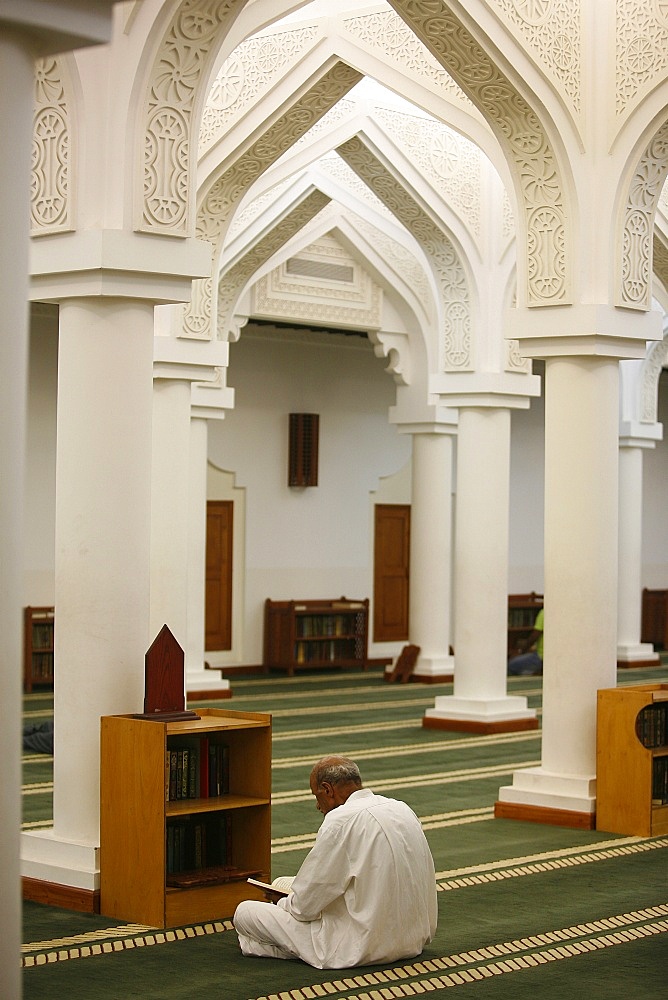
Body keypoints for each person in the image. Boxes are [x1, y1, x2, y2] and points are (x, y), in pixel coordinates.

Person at [233, 755, 437, 969]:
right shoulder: (401, 808)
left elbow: (305, 907)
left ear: (327, 790)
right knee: (285, 881)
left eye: (316, 795)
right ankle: (288, 947)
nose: (317, 806)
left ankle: (297, 950)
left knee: (245, 913)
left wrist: (282, 901)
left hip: (362, 946)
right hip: (412, 940)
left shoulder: (340, 820)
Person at [507, 607, 543, 675]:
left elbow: (534, 637)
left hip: (540, 657)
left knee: (510, 665)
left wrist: (522, 651)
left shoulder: (544, 613)